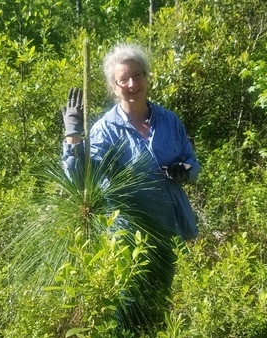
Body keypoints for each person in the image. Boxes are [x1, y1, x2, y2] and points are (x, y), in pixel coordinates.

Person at [61, 42, 200, 332]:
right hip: (129, 235)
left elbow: (191, 162)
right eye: (123, 79)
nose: (132, 84)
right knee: (130, 306)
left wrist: (183, 171)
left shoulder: (168, 120)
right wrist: (73, 134)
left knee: (161, 302)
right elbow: (79, 177)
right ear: (113, 87)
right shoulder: (105, 129)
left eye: (137, 75)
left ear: (147, 77)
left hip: (168, 229)